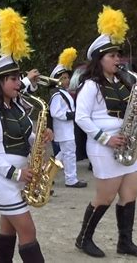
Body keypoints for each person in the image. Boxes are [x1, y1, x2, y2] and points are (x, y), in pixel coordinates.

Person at [0, 8, 52, 262]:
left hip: (20, 176)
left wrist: (39, 138)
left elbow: (27, 134)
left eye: (18, 78)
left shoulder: (17, 105)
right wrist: (16, 173)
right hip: (3, 179)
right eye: (12, 79)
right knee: (28, 230)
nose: (18, 83)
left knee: (7, 229)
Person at [74, 6, 137, 258]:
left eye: (118, 55)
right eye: (112, 56)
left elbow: (129, 113)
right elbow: (81, 117)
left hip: (126, 144)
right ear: (99, 59)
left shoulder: (124, 83)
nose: (118, 60)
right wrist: (106, 138)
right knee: (105, 196)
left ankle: (124, 242)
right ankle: (84, 239)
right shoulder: (91, 85)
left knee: (130, 193)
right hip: (104, 146)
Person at [49, 48, 87, 188]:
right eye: (63, 78)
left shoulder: (64, 93)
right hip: (63, 129)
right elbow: (55, 112)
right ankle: (71, 179)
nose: (66, 80)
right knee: (69, 154)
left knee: (63, 154)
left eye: (67, 77)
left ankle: (45, 173)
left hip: (67, 129)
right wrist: (71, 115)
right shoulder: (57, 94)